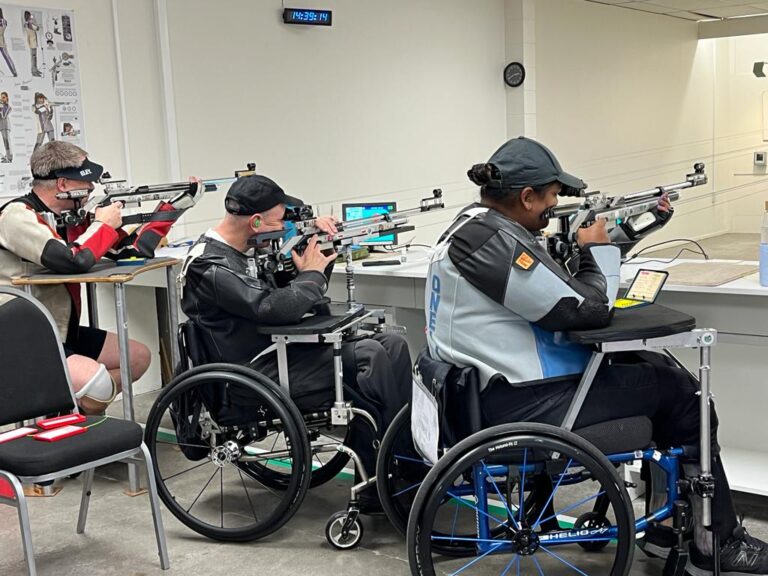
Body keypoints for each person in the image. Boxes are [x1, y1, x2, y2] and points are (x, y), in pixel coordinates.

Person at [425, 136, 768, 576]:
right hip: (523, 403)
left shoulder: (473, 228)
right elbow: (585, 309)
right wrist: (596, 250)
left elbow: (555, 285)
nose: (554, 207)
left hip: (488, 392)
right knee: (683, 394)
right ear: (527, 197)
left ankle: (674, 526)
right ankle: (715, 541)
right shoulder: (493, 242)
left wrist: (619, 236)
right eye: (551, 197)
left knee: (653, 370)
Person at [179, 173, 412, 511]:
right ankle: (385, 476)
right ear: (256, 222)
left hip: (276, 355)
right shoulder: (210, 265)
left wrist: (317, 252)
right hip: (250, 378)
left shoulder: (242, 251)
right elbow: (269, 307)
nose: (282, 227)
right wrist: (312, 275)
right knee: (370, 356)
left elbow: (291, 296)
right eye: (278, 220)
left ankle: (404, 457)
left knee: (392, 345)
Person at [0, 141, 203, 414]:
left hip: (60, 330)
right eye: (86, 182)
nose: (93, 189)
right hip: (22, 337)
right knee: (98, 385)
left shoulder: (69, 218)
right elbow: (72, 260)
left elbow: (132, 251)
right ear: (62, 184)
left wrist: (173, 208)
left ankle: (79, 416)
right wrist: (102, 224)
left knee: (137, 358)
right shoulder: (16, 216)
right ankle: (73, 421)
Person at [0, 9, 18, 77]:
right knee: (8, 57)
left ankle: (14, 72)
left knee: (7, 57)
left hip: (1, 40)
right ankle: (14, 72)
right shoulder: (4, 21)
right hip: (2, 40)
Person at [24, 11, 41, 77]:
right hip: (33, 42)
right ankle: (34, 71)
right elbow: (37, 28)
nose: (31, 17)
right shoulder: (29, 24)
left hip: (31, 41)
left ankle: (35, 70)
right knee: (34, 57)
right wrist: (32, 21)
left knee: (34, 57)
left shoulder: (26, 23)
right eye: (30, 16)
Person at [0, 92, 11, 163]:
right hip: (1, 125)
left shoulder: (8, 107)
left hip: (5, 125)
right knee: (5, 141)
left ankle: (9, 157)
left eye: (3, 97)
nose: (2, 99)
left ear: (7, 98)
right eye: (1, 97)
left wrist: (1, 108)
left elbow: (4, 115)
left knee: (6, 141)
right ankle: (7, 156)